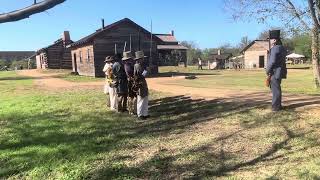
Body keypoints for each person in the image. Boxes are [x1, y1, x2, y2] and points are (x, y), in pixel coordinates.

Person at [266, 30, 287, 112]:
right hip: (280, 71)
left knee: (275, 90)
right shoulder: (282, 48)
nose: (269, 41)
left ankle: (275, 107)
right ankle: (278, 105)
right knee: (277, 89)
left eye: (270, 39)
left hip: (274, 72)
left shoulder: (275, 48)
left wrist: (267, 70)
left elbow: (272, 62)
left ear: (274, 40)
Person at [134, 51, 149, 120]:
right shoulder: (138, 65)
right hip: (140, 83)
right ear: (139, 59)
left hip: (142, 83)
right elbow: (142, 75)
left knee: (145, 99)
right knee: (141, 99)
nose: (143, 59)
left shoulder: (140, 65)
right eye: (142, 58)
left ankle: (145, 113)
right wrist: (147, 70)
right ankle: (140, 114)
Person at [123, 51, 137, 115]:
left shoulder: (127, 65)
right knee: (132, 97)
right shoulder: (128, 66)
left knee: (131, 96)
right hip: (131, 82)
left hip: (130, 81)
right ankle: (132, 110)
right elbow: (132, 74)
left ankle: (131, 110)